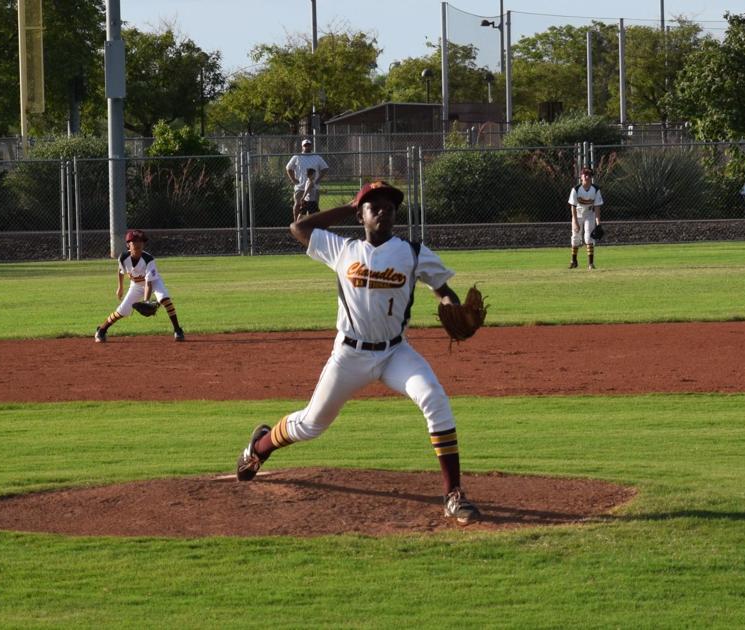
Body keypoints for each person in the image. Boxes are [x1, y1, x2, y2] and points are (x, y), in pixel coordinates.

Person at [234, 180, 480, 525]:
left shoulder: (412, 252)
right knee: (310, 425)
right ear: (361, 214)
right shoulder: (341, 249)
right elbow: (298, 228)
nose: (383, 212)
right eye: (373, 207)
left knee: (434, 398)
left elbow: (443, 290)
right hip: (350, 355)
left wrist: (451, 304)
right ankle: (259, 447)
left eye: (389, 208)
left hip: (396, 354)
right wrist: (348, 206)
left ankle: (453, 494)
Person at [94, 229, 185, 343]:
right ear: (128, 244)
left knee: (164, 298)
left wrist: (146, 301)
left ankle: (177, 330)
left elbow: (149, 283)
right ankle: (101, 330)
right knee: (123, 310)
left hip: (154, 282)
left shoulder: (148, 259)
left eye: (141, 241)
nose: (138, 244)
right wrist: (120, 287)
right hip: (136, 285)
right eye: (134, 241)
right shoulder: (123, 258)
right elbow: (121, 271)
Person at [568, 167, 604, 270]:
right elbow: (573, 206)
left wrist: (598, 223)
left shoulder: (595, 190)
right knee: (575, 237)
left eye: (589, 175)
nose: (587, 177)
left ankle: (590, 264)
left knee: (588, 237)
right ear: (581, 177)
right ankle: (574, 261)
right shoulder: (576, 189)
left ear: (591, 177)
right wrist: (575, 221)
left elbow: (597, 207)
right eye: (585, 174)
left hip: (589, 214)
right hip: (578, 214)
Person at [286, 138, 329, 218]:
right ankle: (296, 223)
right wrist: (293, 179)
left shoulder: (317, 157)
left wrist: (318, 179)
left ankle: (310, 224)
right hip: (300, 186)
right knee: (298, 205)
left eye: (308, 145)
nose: (307, 147)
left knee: (312, 208)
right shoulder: (297, 157)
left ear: (311, 146)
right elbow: (288, 168)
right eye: (305, 145)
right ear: (302, 147)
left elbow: (325, 168)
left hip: (313, 187)